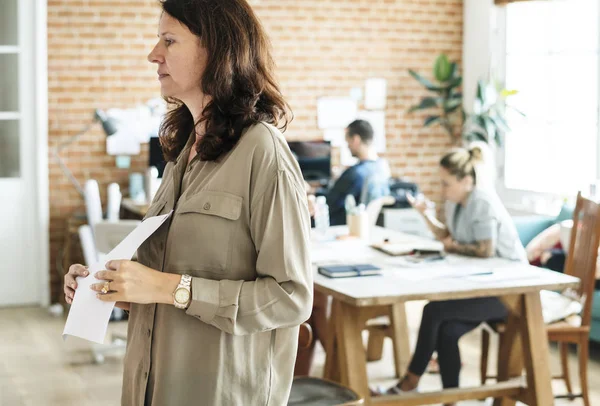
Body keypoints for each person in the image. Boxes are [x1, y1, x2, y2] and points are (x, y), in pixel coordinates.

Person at [63, 1, 313, 405]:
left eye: (169, 40)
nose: (153, 55)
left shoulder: (263, 152)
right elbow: (170, 285)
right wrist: (114, 289)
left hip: (219, 392)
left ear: (216, 49)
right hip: (152, 384)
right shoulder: (183, 155)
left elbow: (290, 298)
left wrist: (166, 287)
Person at [377, 145, 526, 404]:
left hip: (509, 291)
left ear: (466, 181)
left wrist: (452, 247)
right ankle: (451, 399)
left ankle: (410, 380)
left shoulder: (481, 200)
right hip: (484, 284)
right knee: (447, 330)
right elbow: (447, 237)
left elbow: (485, 249)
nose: (442, 189)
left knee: (434, 311)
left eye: (446, 184)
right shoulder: (456, 202)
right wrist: (425, 215)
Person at [308, 119, 390, 225]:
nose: (347, 146)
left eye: (347, 141)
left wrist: (311, 193)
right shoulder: (382, 167)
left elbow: (329, 202)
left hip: (338, 227)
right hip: (363, 226)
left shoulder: (355, 173)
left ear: (355, 140)